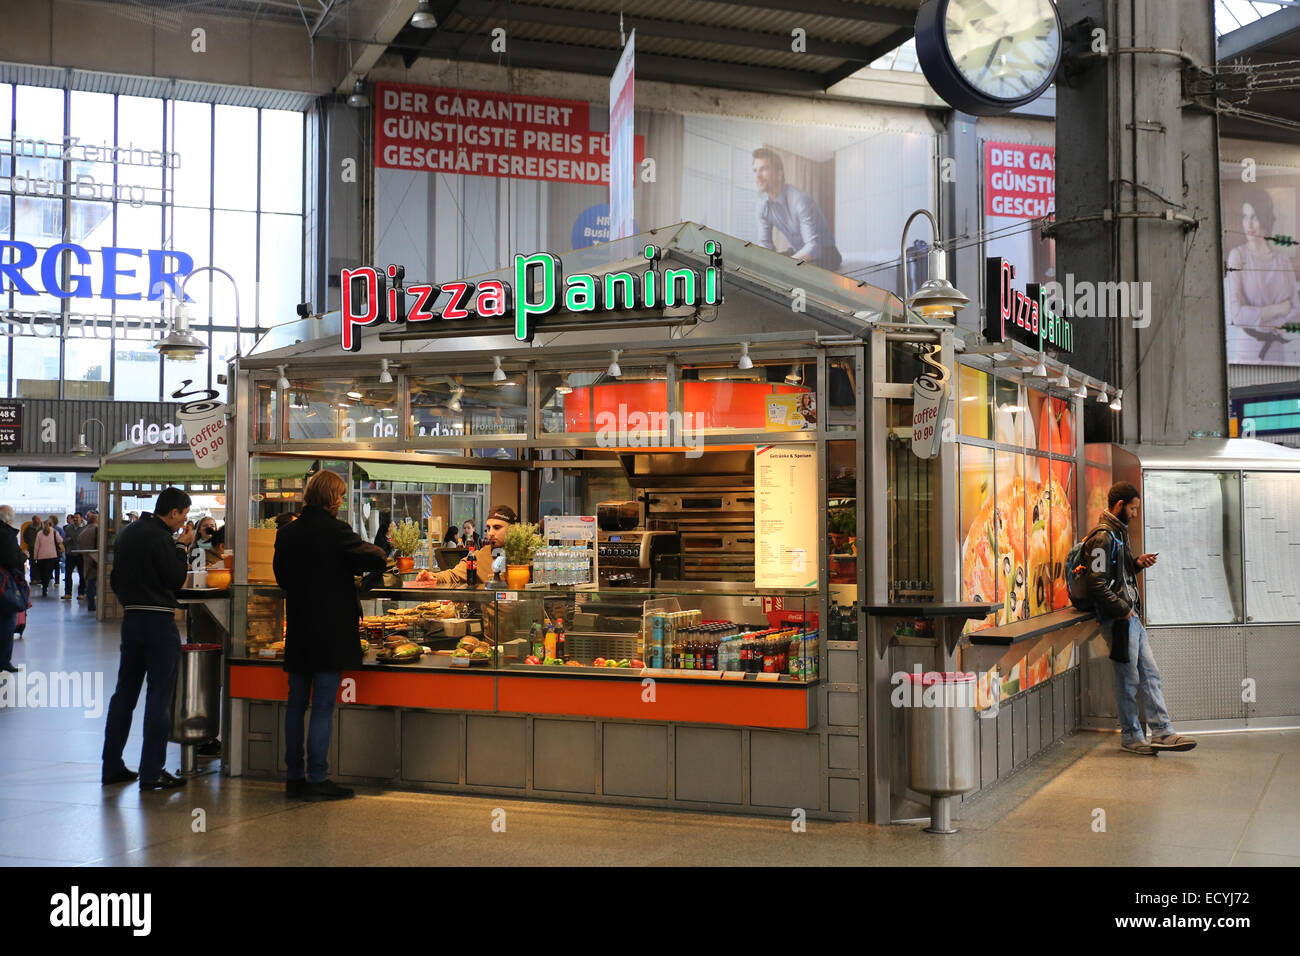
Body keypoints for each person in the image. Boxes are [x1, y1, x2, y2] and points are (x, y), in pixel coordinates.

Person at [273, 470, 386, 800]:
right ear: (332, 498)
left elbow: (282, 579)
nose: (341, 501)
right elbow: (374, 556)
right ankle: (318, 778)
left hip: (299, 629)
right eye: (340, 495)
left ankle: (294, 778)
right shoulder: (337, 531)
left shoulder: (288, 532)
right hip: (330, 630)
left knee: (295, 706)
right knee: (322, 706)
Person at [1081, 481, 1197, 756]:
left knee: (1150, 675)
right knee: (1129, 679)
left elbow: (1115, 575)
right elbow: (1096, 583)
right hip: (1120, 621)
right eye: (1133, 508)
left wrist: (1136, 564)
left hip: (1130, 618)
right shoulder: (1102, 537)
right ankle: (1132, 737)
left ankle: (1162, 732)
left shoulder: (1118, 534)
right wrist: (1123, 609)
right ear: (1119, 506)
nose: (1135, 513)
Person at [101, 488, 195, 789]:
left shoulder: (128, 533)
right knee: (159, 697)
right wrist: (181, 548)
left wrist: (131, 600)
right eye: (183, 515)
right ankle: (152, 772)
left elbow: (115, 578)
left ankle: (112, 765)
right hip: (158, 622)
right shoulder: (162, 538)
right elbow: (175, 579)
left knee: (124, 693)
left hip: (132, 620)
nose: (184, 522)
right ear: (173, 512)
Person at [1226, 188, 1300, 363]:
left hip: (1277, 353)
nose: (1248, 225)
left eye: (1254, 217)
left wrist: (1264, 320)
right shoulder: (1238, 257)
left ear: (1265, 218)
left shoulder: (1282, 261)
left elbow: (1296, 310)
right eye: (1245, 217)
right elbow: (1237, 315)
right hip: (1247, 352)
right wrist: (1279, 309)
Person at [752, 147, 842, 271]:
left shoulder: (800, 200)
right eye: (755, 170)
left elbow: (813, 247)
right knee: (765, 264)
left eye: (763, 169)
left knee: (791, 270)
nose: (757, 176)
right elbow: (765, 244)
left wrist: (784, 267)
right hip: (798, 250)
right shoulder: (762, 205)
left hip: (826, 253)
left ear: (779, 174)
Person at [434, 506, 517, 586]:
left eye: (497, 527)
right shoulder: (479, 557)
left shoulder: (523, 556)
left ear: (512, 529)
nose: (491, 533)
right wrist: (432, 577)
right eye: (488, 528)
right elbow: (452, 576)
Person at [0, 506, 27, 674]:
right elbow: (12, 559)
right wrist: (24, 555)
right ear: (9, 518)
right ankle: (4, 661)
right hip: (4, 584)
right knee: (7, 622)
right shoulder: (6, 535)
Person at [33, 518, 63, 598]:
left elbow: (36, 546)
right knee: (48, 573)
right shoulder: (54, 532)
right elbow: (60, 541)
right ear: (51, 524)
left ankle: (44, 587)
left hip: (41, 556)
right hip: (52, 556)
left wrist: (35, 557)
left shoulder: (39, 533)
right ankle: (46, 586)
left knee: (42, 573)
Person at [78, 511, 101, 612]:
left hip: (87, 561)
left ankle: (91, 606)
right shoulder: (98, 530)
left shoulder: (83, 532)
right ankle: (97, 607)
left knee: (90, 584)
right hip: (97, 560)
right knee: (97, 584)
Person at [62, 512, 84, 600]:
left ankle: (81, 593)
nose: (75, 519)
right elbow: (64, 540)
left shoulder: (85, 528)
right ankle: (68, 593)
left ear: (81, 518)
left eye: (77, 517)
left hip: (81, 554)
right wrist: (66, 540)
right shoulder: (68, 528)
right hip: (70, 554)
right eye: (74, 517)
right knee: (68, 574)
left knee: (81, 574)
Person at [20, 514, 40, 585]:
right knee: (33, 563)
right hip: (32, 548)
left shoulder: (43, 528)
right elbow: (24, 537)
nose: (38, 521)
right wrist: (29, 542)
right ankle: (33, 579)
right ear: (33, 520)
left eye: (39, 519)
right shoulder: (28, 528)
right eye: (36, 519)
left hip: (41, 549)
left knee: (41, 563)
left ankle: (40, 578)